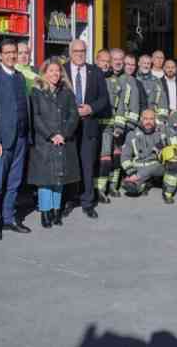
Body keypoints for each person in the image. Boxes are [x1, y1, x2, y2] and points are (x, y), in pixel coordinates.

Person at [0, 40, 31, 240]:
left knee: (14, 181)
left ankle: (9, 218)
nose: (12, 56)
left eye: (14, 52)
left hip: (20, 138)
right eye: (8, 53)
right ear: (0, 56)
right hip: (1, 141)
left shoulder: (19, 77)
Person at [27, 58, 81, 228]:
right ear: (44, 73)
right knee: (45, 180)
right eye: (51, 71)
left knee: (59, 178)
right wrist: (51, 135)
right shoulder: (36, 92)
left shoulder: (67, 92)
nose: (55, 74)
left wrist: (63, 134)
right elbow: (36, 117)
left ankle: (56, 211)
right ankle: (45, 212)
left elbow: (74, 116)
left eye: (57, 71)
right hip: (44, 142)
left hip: (63, 140)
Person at [63, 39, 111, 219]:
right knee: (69, 165)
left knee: (87, 164)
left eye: (82, 50)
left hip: (89, 125)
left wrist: (91, 108)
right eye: (76, 51)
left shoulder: (96, 72)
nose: (79, 54)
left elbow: (104, 99)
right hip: (68, 126)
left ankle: (88, 202)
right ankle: (69, 200)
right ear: (70, 52)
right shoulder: (62, 70)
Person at [120, 109, 177, 204]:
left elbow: (175, 144)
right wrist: (131, 172)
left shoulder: (163, 130)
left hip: (158, 166)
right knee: (130, 187)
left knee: (175, 156)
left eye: (151, 119)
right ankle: (144, 184)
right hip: (140, 166)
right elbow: (125, 157)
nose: (148, 122)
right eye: (145, 119)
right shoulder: (131, 134)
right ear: (141, 119)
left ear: (155, 119)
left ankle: (168, 193)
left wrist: (165, 146)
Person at [105, 48, 140, 197]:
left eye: (121, 59)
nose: (118, 62)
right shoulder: (103, 77)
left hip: (123, 126)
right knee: (104, 156)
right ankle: (101, 187)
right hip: (105, 125)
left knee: (118, 156)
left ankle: (113, 185)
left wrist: (128, 127)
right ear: (109, 61)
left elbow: (134, 104)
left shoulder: (130, 79)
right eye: (115, 59)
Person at [94, 49, 121, 204]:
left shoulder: (115, 80)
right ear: (97, 60)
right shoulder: (92, 77)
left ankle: (107, 187)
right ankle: (98, 189)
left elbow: (121, 105)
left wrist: (119, 125)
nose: (105, 63)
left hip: (111, 127)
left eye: (107, 61)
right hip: (95, 126)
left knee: (111, 158)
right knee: (99, 159)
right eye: (102, 60)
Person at [137, 54, 169, 122]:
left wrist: (161, 119)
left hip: (152, 118)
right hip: (136, 117)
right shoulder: (133, 78)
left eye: (148, 63)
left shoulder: (157, 81)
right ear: (139, 63)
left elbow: (162, 100)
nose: (146, 65)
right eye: (144, 63)